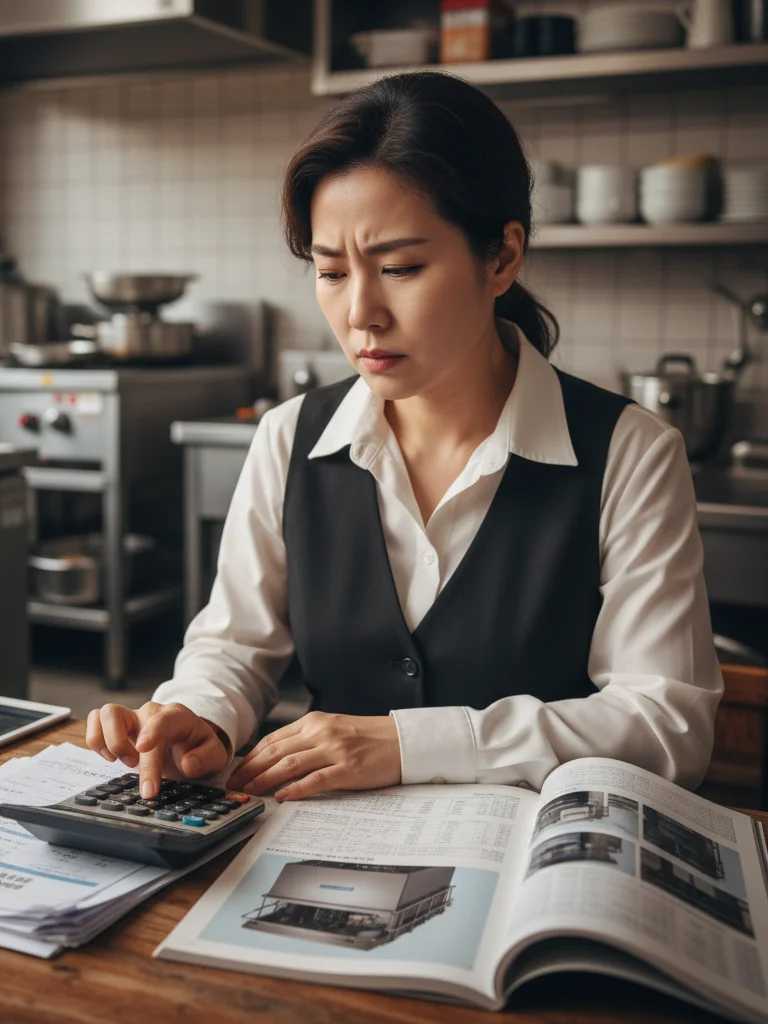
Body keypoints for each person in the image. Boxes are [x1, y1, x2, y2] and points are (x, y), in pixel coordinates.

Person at [85, 71, 722, 804]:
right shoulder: (289, 437)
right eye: (331, 272)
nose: (362, 313)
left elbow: (667, 726)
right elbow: (234, 644)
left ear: (502, 258)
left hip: (530, 852)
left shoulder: (630, 453)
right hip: (319, 839)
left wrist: (409, 744)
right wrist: (199, 714)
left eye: (400, 268)